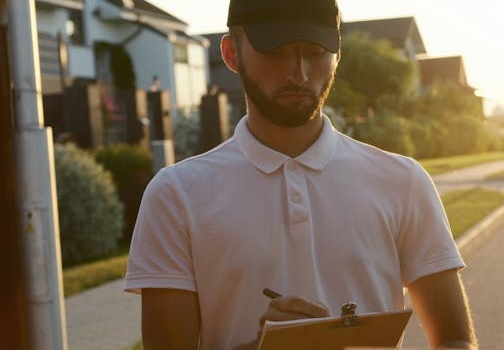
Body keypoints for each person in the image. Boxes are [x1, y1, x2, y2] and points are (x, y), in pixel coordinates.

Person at [124, 0, 478, 349]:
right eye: (275, 50)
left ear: (337, 56)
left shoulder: (403, 181)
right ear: (232, 53)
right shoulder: (177, 195)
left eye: (315, 51)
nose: (299, 72)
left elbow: (456, 340)